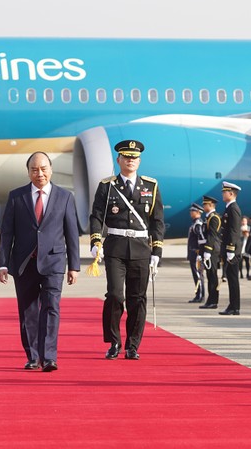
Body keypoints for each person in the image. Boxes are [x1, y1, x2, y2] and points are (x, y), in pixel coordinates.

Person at [0, 151, 80, 372]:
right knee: (28, 311)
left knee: (52, 307)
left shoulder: (65, 197)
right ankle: (33, 356)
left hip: (53, 262)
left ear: (50, 170)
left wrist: (74, 265)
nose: (39, 173)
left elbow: (72, 233)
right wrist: (3, 263)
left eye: (43, 169)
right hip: (24, 263)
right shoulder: (16, 197)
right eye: (34, 169)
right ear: (28, 172)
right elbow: (7, 233)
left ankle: (50, 356)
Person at [90, 140, 165, 360]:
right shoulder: (107, 185)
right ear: (119, 160)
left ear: (139, 161)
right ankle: (114, 342)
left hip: (141, 248)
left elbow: (157, 220)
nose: (130, 161)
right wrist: (96, 241)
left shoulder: (150, 186)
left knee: (137, 298)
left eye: (134, 158)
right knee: (114, 295)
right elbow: (96, 215)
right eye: (126, 157)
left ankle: (133, 345)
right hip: (115, 246)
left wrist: (156, 251)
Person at [219, 181, 242, 315]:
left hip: (232, 250)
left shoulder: (233, 208)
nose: (223, 194)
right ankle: (232, 306)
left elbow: (234, 230)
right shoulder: (229, 208)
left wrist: (231, 249)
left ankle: (234, 307)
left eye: (225, 192)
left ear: (231, 194)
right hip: (229, 249)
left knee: (233, 279)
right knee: (231, 279)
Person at [199, 195, 222, 309]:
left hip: (212, 250)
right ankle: (210, 300)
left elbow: (212, 235)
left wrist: (208, 250)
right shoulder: (208, 217)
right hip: (209, 249)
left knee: (213, 275)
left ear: (210, 205)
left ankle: (214, 301)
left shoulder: (214, 218)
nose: (203, 206)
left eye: (205, 204)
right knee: (209, 275)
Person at [187, 203, 206, 303]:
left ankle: (201, 295)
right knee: (196, 275)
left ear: (198, 212)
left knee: (198, 275)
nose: (191, 213)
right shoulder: (195, 223)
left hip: (196, 254)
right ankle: (198, 294)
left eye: (192, 211)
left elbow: (202, 239)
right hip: (193, 253)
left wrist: (200, 253)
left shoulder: (198, 224)